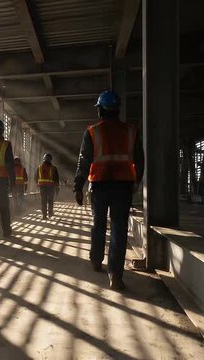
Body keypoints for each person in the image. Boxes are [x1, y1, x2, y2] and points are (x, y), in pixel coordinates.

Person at [73, 90, 144, 291]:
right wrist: (136, 181)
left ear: (101, 110)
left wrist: (78, 187)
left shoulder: (92, 132)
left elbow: (83, 161)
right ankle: (116, 276)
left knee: (98, 224)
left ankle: (96, 260)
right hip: (123, 185)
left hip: (100, 185)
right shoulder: (131, 131)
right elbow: (140, 159)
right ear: (117, 109)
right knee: (119, 229)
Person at [35, 153, 59, 219]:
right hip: (51, 187)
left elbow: (35, 177)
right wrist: (57, 188)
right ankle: (50, 213)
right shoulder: (54, 168)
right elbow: (56, 179)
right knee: (50, 200)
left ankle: (44, 215)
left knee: (43, 201)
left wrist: (37, 184)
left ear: (43, 159)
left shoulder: (39, 168)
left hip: (42, 187)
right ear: (51, 160)